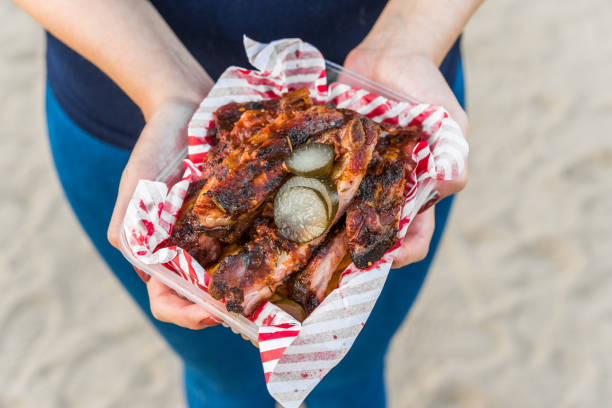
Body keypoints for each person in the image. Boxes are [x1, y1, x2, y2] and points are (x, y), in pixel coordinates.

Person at [14, 0, 481, 406]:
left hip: (402, 83)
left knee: (349, 372)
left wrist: (411, 36)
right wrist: (165, 88)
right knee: (223, 380)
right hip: (119, 102)